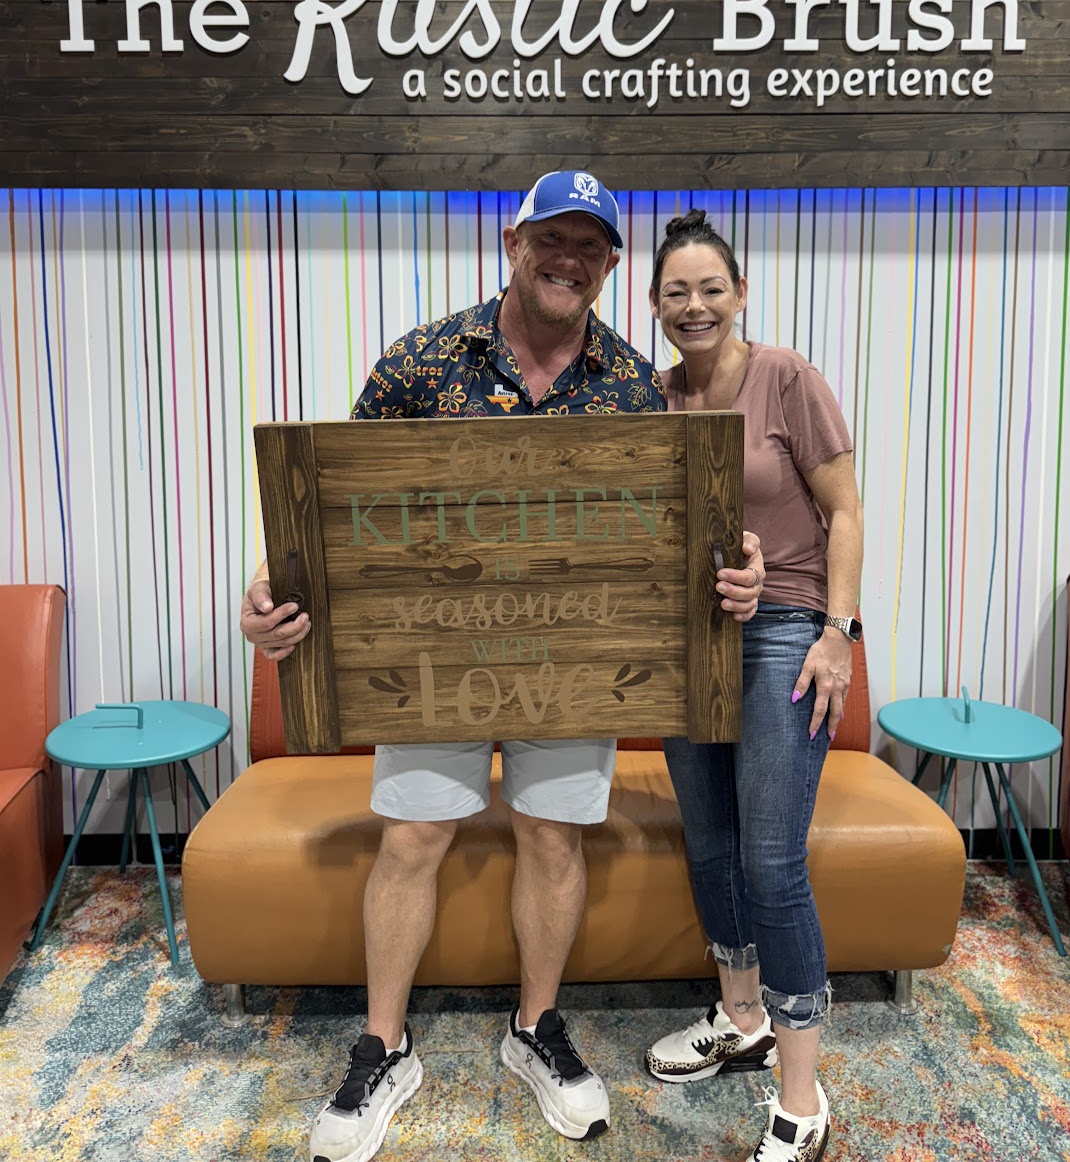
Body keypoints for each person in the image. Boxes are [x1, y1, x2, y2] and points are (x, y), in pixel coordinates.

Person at [238, 172, 767, 1162]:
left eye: (590, 247)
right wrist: (273, 587)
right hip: (434, 656)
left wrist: (731, 574)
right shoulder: (421, 361)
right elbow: (337, 504)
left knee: (552, 841)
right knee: (411, 840)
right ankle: (383, 1044)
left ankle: (536, 1028)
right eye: (551, 240)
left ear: (611, 265)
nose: (568, 259)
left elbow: (672, 533)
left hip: (571, 663)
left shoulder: (628, 381)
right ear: (512, 241)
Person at [645, 209, 864, 1162]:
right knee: (712, 844)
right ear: (655, 307)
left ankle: (803, 1096)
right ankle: (741, 1016)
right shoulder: (653, 399)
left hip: (785, 632)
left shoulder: (787, 378)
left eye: (711, 288)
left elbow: (845, 511)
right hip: (689, 644)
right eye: (675, 292)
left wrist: (837, 635)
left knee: (773, 861)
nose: (694, 306)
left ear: (741, 294)